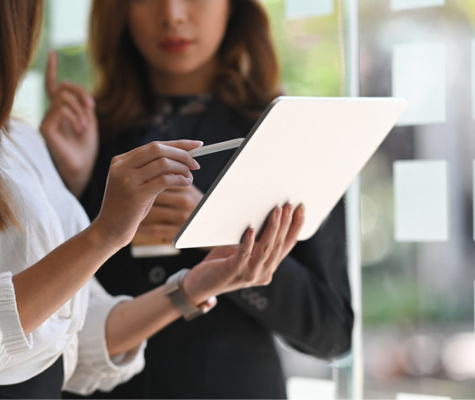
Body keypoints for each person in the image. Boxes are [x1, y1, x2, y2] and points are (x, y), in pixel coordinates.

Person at [41, 0, 353, 398]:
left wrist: (216, 233)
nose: (172, 14)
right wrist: (73, 185)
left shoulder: (286, 136)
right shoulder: (80, 138)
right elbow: (40, 316)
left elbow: (332, 332)